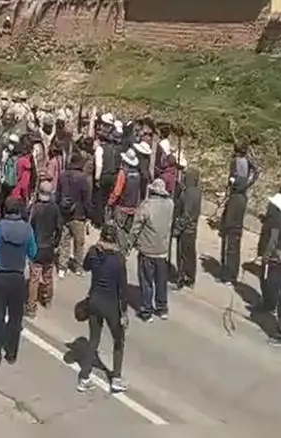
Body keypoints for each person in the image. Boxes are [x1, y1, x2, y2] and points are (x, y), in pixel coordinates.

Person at [0, 197, 37, 366]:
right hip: (18, 278)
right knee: (15, 318)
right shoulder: (27, 230)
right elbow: (33, 253)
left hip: (0, 277)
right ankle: (11, 354)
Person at [77, 224, 129, 394]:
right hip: (111, 305)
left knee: (93, 340)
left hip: (94, 300)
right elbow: (122, 289)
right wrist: (124, 313)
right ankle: (116, 378)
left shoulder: (93, 252)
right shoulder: (119, 260)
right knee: (118, 341)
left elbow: (85, 267)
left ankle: (84, 377)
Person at [130, 179, 174, 322]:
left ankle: (146, 310)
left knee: (146, 281)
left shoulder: (146, 206)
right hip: (162, 249)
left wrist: (130, 243)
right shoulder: (170, 205)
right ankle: (162, 308)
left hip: (147, 250)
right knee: (161, 281)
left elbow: (136, 227)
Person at [219, 142, 259, 285]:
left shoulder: (236, 164)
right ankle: (230, 274)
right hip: (238, 205)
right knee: (234, 243)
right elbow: (256, 172)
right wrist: (248, 183)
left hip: (233, 214)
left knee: (230, 243)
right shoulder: (247, 164)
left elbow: (231, 180)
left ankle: (228, 275)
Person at [27, 181, 62, 319]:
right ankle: (47, 300)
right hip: (49, 247)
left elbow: (29, 228)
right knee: (47, 275)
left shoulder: (35, 208)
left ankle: (31, 307)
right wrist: (56, 243)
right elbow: (59, 228)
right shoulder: (55, 209)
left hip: (36, 246)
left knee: (34, 278)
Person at [57, 152, 92, 278]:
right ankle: (77, 266)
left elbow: (58, 194)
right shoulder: (84, 178)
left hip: (64, 212)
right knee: (79, 242)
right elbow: (87, 199)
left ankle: (62, 267)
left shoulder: (62, 175)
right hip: (79, 214)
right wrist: (89, 215)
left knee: (64, 241)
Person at [172, 167, 202, 290]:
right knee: (190, 255)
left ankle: (181, 278)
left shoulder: (189, 193)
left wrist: (177, 229)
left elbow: (186, 215)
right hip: (192, 229)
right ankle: (190, 277)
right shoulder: (197, 191)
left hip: (186, 230)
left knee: (182, 255)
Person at [258, 191, 281, 346]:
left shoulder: (277, 221)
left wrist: (265, 256)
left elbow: (273, 240)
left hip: (277, 260)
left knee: (273, 285)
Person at [108, 148, 143, 250]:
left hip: (122, 206)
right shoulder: (137, 174)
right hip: (133, 207)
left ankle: (121, 251)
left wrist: (110, 201)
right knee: (127, 231)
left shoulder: (123, 173)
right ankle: (126, 249)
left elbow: (117, 191)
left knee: (119, 230)